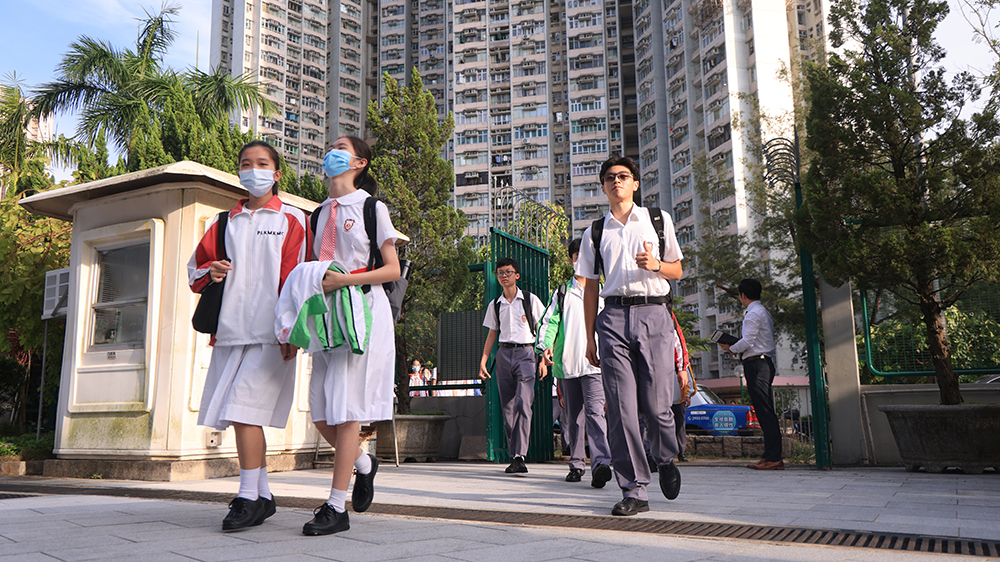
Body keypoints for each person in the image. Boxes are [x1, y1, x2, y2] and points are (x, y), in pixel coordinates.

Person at [187, 140, 307, 531]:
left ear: (276, 174)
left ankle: (248, 497)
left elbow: (296, 279)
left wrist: (290, 330)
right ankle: (263, 494)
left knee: (242, 411)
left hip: (271, 334)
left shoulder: (292, 219)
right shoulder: (223, 223)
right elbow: (194, 273)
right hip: (230, 332)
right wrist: (212, 272)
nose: (251, 170)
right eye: (244, 163)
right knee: (242, 415)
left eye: (261, 163)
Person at [298, 136, 401, 534]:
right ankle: (363, 463)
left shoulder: (372, 208)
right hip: (327, 316)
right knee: (321, 411)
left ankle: (335, 506)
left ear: (358, 162)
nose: (331, 151)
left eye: (341, 147)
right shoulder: (318, 214)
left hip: (363, 312)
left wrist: (346, 280)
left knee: (347, 412)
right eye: (330, 146)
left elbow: (391, 268)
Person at [578, 155, 684, 517]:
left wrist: (655, 265)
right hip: (612, 318)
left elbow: (678, 270)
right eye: (610, 178)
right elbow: (590, 289)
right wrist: (590, 337)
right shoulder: (595, 231)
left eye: (623, 176)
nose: (617, 181)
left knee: (656, 407)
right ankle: (634, 489)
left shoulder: (657, 219)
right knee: (621, 411)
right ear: (603, 186)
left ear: (635, 183)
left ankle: (665, 456)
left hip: (654, 313)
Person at [536, 238, 613, 488]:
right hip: (567, 366)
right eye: (577, 256)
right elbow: (549, 322)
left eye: (587, 256)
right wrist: (546, 346)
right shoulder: (561, 292)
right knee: (574, 419)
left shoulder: (606, 290)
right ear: (571, 259)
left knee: (595, 414)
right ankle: (577, 464)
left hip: (595, 365)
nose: (581, 260)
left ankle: (601, 462)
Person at [478, 257, 546, 474]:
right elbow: (492, 333)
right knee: (508, 407)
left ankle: (520, 455)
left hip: (527, 353)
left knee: (523, 404)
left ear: (517, 275)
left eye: (508, 272)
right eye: (500, 273)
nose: (504, 276)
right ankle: (514, 454)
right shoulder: (495, 304)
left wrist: (544, 357)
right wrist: (483, 360)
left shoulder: (530, 299)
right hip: (504, 354)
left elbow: (544, 328)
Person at [721, 278, 782, 470]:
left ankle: (774, 457)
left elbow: (747, 342)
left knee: (765, 411)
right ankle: (769, 455)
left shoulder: (753, 314)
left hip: (757, 364)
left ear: (742, 295)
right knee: (764, 411)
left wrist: (731, 348)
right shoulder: (762, 312)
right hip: (761, 363)